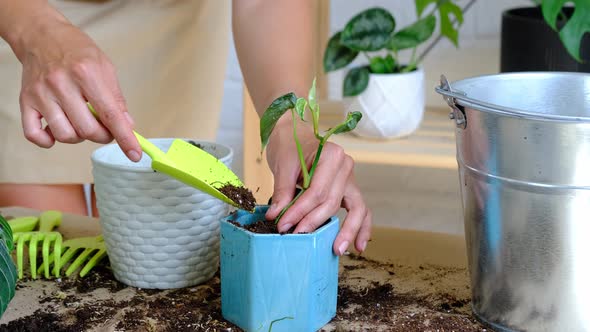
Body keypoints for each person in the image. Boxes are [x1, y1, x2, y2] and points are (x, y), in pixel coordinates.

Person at [0, 0, 371, 256]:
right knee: (45, 247)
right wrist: (36, 32)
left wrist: (290, 124)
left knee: (149, 238)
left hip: (171, 19)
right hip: (27, 21)